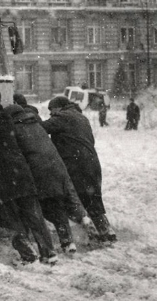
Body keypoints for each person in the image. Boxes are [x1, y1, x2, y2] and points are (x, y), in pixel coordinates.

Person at [0, 87, 57, 264]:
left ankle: (27, 251)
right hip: (21, 171)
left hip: (2, 175)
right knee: (34, 214)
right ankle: (48, 252)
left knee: (11, 216)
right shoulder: (6, 118)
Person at [6, 104, 93, 253]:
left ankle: (50, 244)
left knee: (45, 209)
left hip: (40, 173)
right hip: (57, 167)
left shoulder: (16, 130)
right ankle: (68, 241)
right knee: (57, 204)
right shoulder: (35, 125)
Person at [42, 96, 117, 242]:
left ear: (59, 107)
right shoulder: (81, 118)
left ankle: (91, 231)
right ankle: (106, 230)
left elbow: (40, 128)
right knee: (92, 199)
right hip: (92, 163)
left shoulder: (62, 117)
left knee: (71, 199)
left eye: (52, 110)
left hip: (76, 165)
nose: (51, 114)